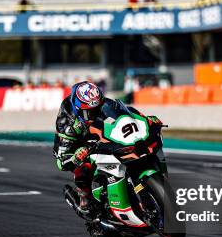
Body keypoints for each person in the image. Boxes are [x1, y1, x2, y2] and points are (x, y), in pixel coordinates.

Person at [53, 82, 162, 214]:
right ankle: (85, 199)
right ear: (79, 110)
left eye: (98, 107)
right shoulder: (67, 124)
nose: (97, 112)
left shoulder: (100, 103)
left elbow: (126, 113)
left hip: (99, 133)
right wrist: (76, 156)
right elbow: (61, 162)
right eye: (92, 112)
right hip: (78, 143)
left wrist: (145, 119)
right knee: (83, 168)